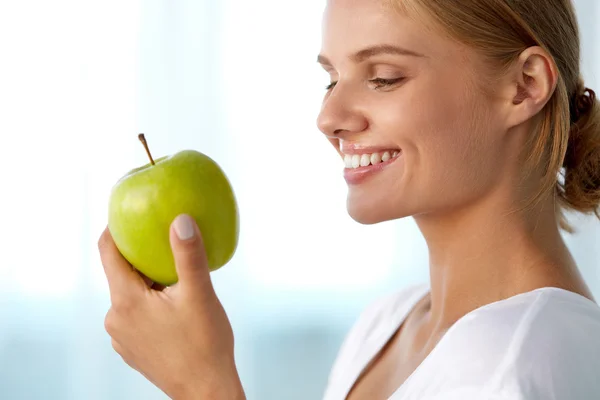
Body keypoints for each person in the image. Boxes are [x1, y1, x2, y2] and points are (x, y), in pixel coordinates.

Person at [97, 0, 600, 398]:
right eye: (332, 78)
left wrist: (203, 388)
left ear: (524, 86)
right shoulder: (386, 325)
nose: (329, 116)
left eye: (383, 77)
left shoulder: (516, 364)